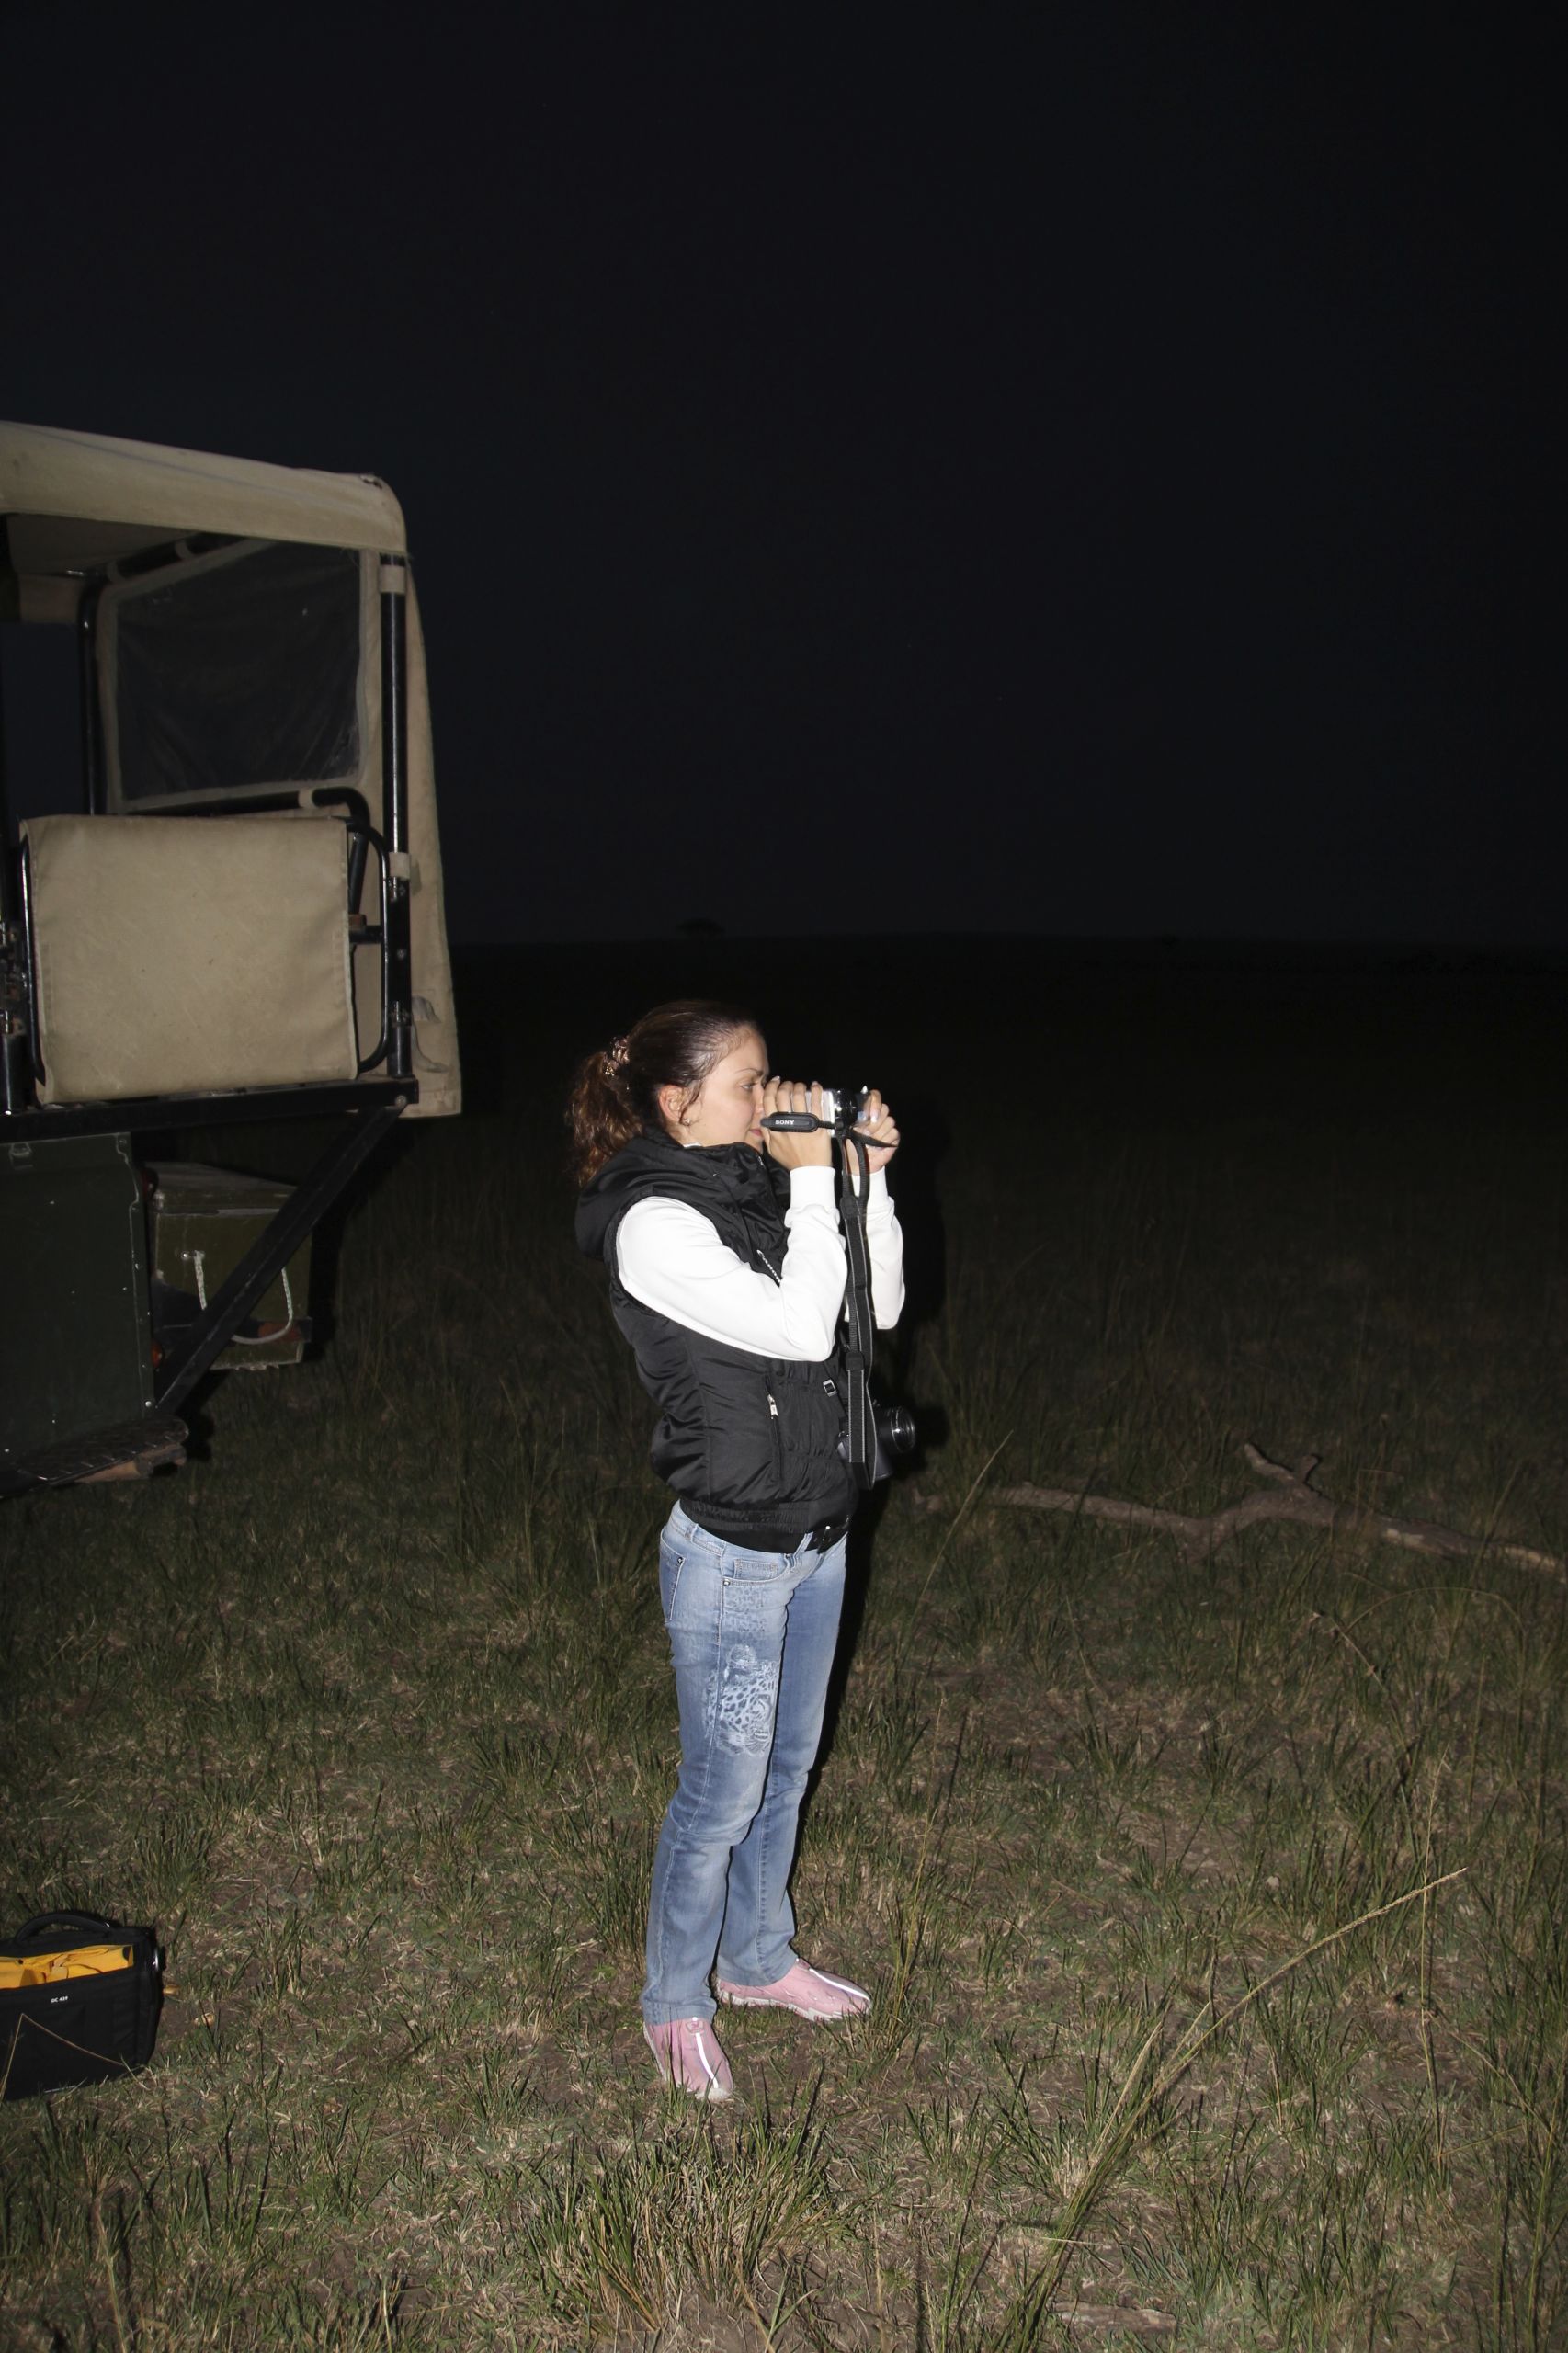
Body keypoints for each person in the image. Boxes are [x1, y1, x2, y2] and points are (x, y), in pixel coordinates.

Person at [572, 1000, 904, 2100]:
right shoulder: (651, 1224)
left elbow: (873, 1310)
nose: (770, 1096)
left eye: (770, 1076)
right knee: (719, 1795)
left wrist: (861, 1181)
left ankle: (756, 1959)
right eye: (748, 1082)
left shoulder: (757, 1189)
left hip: (816, 1531)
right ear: (680, 1103)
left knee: (785, 1771)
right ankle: (673, 1999)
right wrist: (810, 1181)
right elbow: (800, 1332)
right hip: (730, 1559)